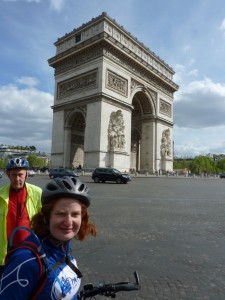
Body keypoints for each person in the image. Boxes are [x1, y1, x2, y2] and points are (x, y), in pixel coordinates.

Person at [0, 176, 97, 299]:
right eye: (60, 214)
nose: (68, 222)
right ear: (46, 217)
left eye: (75, 214)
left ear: (82, 218)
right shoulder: (26, 261)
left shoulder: (64, 247)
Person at [0, 157, 42, 277]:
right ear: (8, 175)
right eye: (14, 175)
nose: (17, 179)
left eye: (20, 175)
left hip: (30, 248)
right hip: (6, 250)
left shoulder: (37, 193)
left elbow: (44, 219)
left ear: (26, 175)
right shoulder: (0, 194)